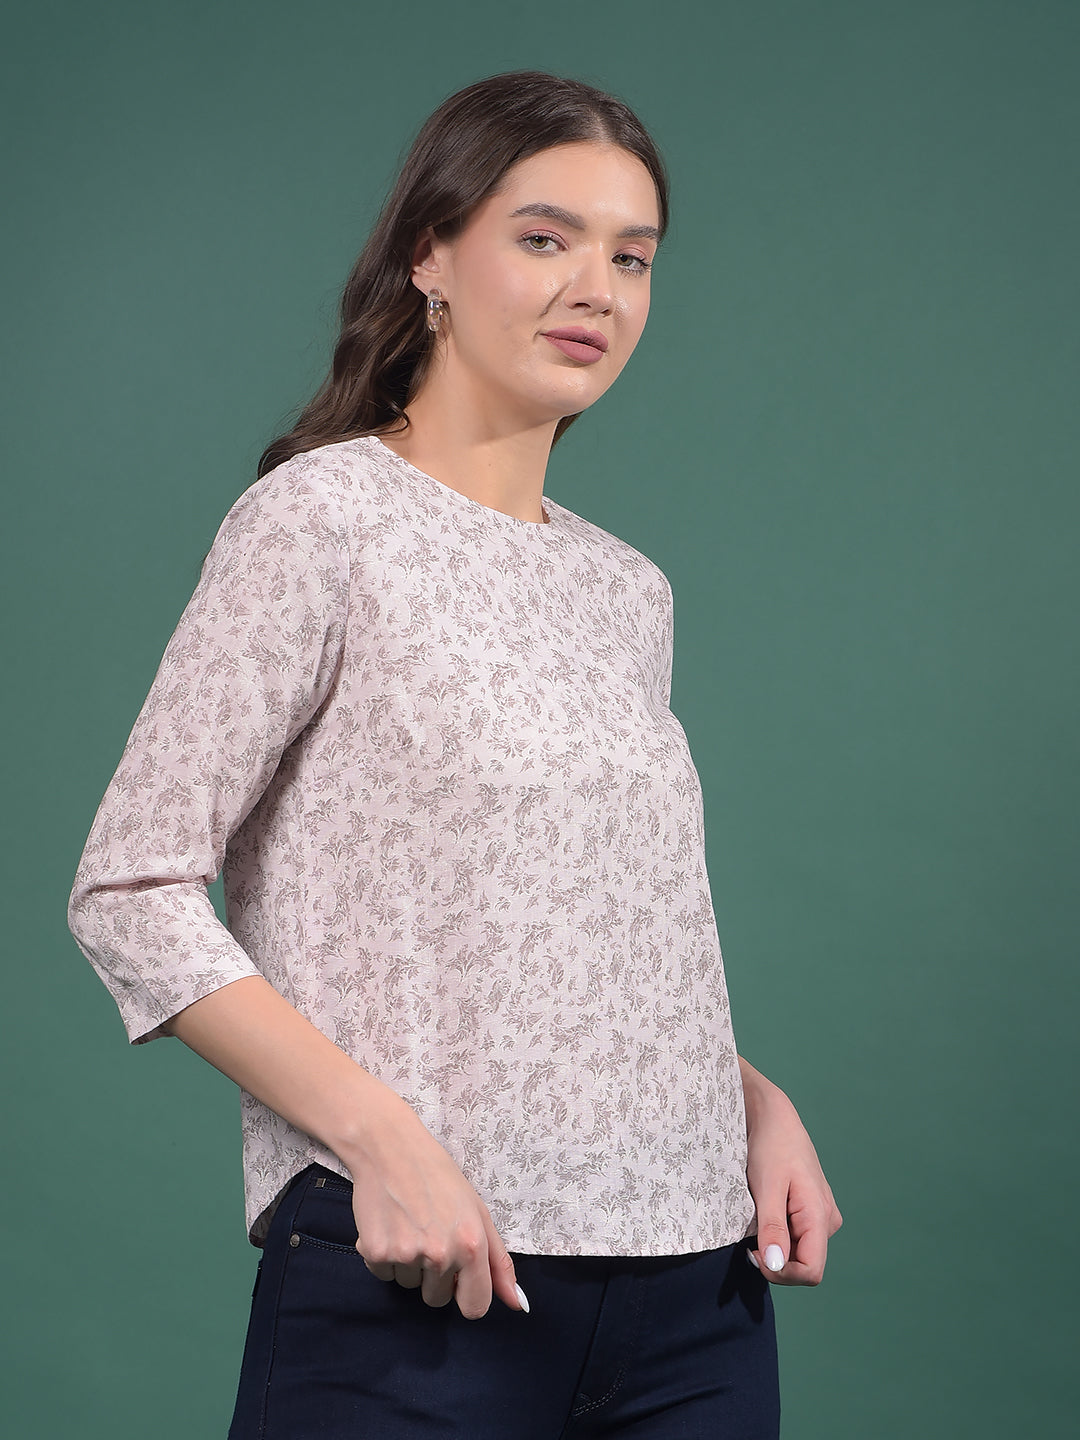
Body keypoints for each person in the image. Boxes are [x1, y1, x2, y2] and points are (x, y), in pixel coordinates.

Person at [68, 70, 841, 1439]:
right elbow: (130, 890)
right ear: (429, 255)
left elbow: (574, 935)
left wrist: (749, 1099)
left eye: (632, 257)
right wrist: (380, 1139)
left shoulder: (626, 589)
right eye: (545, 238)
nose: (597, 288)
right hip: (423, 1279)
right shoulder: (322, 522)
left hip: (698, 1298)